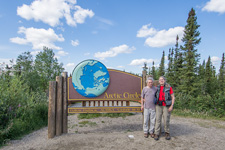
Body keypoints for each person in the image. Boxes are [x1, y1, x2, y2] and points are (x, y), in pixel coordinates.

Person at [154, 76, 175, 140]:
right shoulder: (156, 87)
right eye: (160, 80)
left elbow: (173, 97)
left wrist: (172, 105)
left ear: (165, 80)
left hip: (166, 106)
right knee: (158, 120)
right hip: (158, 105)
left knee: (166, 120)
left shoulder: (169, 87)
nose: (161, 80)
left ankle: (167, 133)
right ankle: (156, 133)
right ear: (159, 81)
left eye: (162, 79)